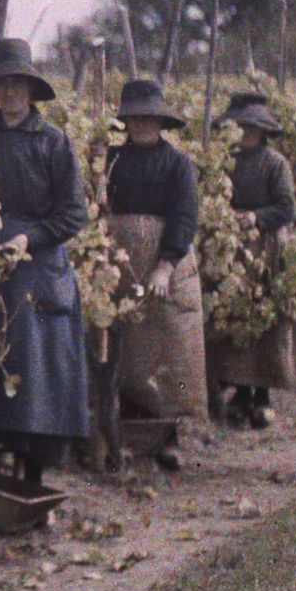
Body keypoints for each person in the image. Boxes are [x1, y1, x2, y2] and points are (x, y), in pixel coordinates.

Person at [0, 37, 90, 475]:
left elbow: (75, 213)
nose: (11, 93)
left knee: (36, 370)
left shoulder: (54, 143)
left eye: (19, 85)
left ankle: (34, 473)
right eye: (2, 85)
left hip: (39, 270)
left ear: (33, 91)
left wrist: (28, 240)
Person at [102, 79, 206, 472]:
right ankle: (130, 438)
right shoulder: (111, 159)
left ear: (161, 121)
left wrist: (165, 266)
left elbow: (185, 217)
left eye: (149, 117)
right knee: (128, 350)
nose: (142, 123)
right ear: (125, 121)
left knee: (169, 348)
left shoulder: (177, 164)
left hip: (167, 264)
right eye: (134, 117)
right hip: (120, 265)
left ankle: (168, 438)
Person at [205, 93, 296, 429]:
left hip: (265, 249)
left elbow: (287, 208)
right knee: (234, 317)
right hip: (229, 249)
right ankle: (241, 391)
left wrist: (255, 219)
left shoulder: (275, 163)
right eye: (240, 126)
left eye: (251, 127)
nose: (245, 132)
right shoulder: (223, 161)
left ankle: (263, 396)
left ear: (263, 131)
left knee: (265, 318)